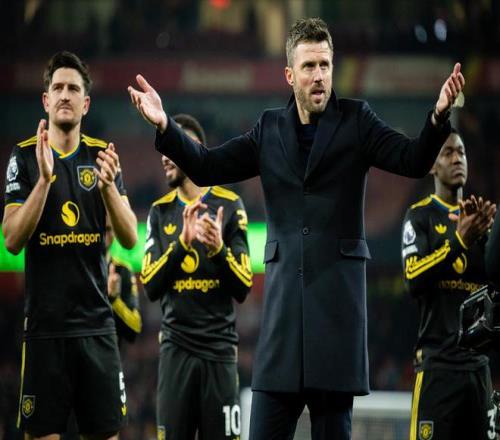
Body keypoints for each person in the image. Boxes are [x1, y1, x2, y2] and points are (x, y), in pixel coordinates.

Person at [128, 17, 465, 440]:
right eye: (309, 66)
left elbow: (412, 160)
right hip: (283, 328)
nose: (319, 75)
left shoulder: (358, 120)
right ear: (290, 75)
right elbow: (208, 166)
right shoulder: (268, 128)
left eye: (325, 65)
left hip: (337, 323)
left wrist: (437, 117)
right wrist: (165, 125)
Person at [2, 51, 137, 440]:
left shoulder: (102, 155)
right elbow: (11, 240)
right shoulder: (25, 156)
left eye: (73, 88)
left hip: (97, 328)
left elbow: (129, 236)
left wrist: (108, 188)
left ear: (86, 103)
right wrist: (44, 182)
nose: (65, 94)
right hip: (45, 331)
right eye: (58, 88)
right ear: (45, 100)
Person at [140, 113, 252, 440]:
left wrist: (218, 250)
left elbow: (243, 286)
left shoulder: (230, 206)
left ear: (193, 150)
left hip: (220, 353)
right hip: (175, 352)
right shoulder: (160, 212)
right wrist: (182, 245)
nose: (164, 158)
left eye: (172, 149)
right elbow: (150, 286)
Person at [401, 130, 497, 440]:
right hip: (437, 369)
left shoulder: (480, 223)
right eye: (448, 153)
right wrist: (459, 241)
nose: (457, 159)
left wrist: (490, 241)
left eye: (462, 153)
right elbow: (413, 278)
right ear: (432, 164)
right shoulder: (419, 217)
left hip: (479, 370)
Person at [105, 224, 142, 347]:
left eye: (108, 229)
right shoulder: (77, 269)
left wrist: (114, 300)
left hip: (110, 355)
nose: (103, 234)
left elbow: (135, 327)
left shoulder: (122, 270)